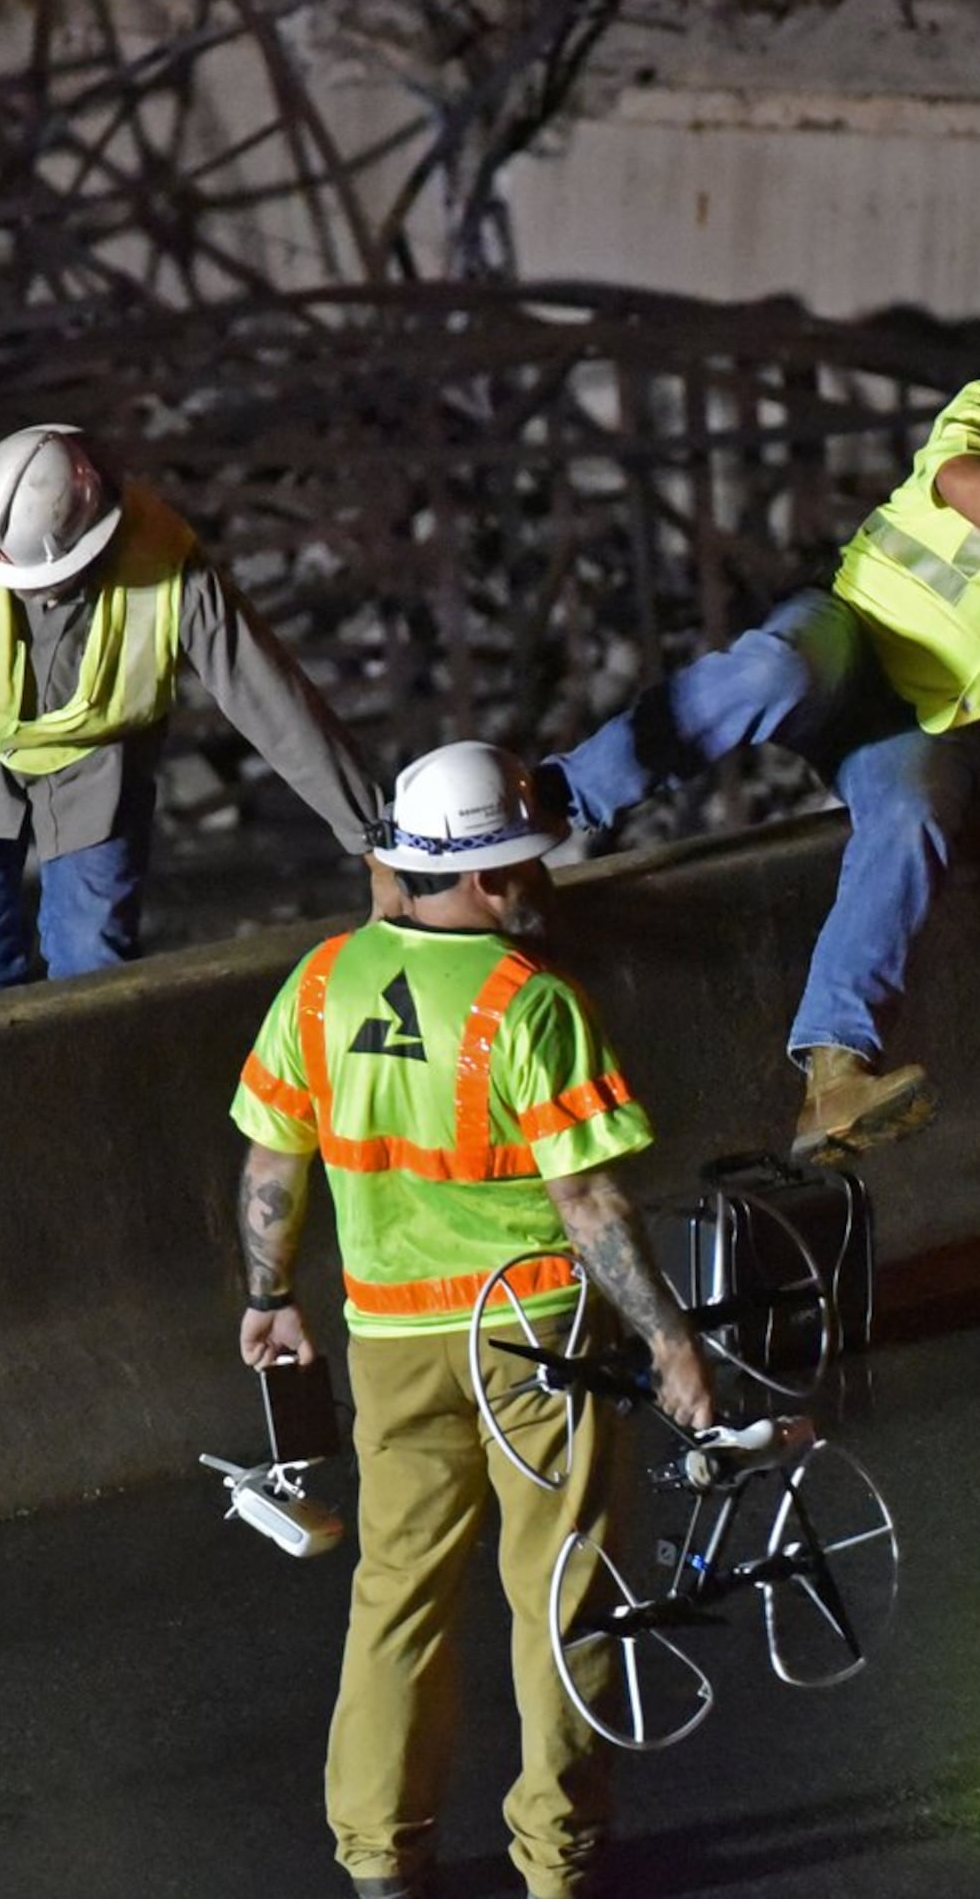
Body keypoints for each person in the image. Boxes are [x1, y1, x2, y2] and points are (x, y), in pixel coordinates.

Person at [536, 299, 980, 1162]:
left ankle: (836, 1074)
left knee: (917, 816)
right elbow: (965, 481)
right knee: (771, 668)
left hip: (933, 717)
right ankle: (556, 801)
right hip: (854, 637)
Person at [226, 740, 717, 1899]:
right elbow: (588, 1199)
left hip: (390, 1339)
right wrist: (668, 1338)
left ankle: (380, 1858)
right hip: (535, 1335)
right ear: (493, 878)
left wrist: (267, 1295)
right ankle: (560, 1860)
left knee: (397, 1596)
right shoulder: (530, 1005)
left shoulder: (319, 984)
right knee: (560, 1590)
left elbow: (270, 1159)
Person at [0, 423, 381, 1001]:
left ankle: (82, 1087)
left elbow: (266, 694)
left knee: (95, 975)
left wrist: (370, 836)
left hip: (97, 762)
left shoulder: (164, 558)